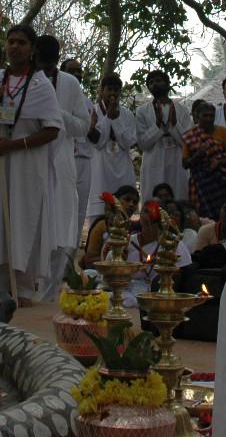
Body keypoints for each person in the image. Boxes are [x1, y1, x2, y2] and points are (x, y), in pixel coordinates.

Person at [0, 23, 63, 302]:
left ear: (32, 49)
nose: (15, 47)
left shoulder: (40, 84)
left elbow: (52, 129)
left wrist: (13, 145)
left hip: (25, 168)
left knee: (23, 220)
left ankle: (21, 287)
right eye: (11, 41)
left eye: (21, 42)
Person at [38, 34, 93, 300]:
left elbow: (83, 127)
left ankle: (50, 291)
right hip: (28, 159)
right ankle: (27, 288)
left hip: (61, 162)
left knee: (60, 226)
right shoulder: (25, 80)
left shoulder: (70, 84)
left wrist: (55, 112)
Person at [85, 74, 137, 220]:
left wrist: (114, 120)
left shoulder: (127, 114)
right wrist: (108, 118)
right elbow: (99, 143)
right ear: (102, 90)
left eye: (116, 90)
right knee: (99, 217)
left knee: (122, 214)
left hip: (123, 166)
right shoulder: (93, 111)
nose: (113, 93)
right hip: (100, 168)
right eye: (109, 89)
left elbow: (128, 143)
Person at [124, 199, 192, 306]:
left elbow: (182, 273)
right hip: (129, 291)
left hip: (160, 293)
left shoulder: (171, 242)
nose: (148, 216)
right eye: (145, 211)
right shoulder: (129, 242)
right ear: (140, 215)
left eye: (153, 212)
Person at [136, 70, 191, 203]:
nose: (155, 84)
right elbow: (143, 144)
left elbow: (188, 143)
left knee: (178, 202)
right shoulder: (142, 111)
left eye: (158, 80)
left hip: (177, 163)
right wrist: (158, 126)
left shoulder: (182, 109)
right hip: (153, 162)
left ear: (167, 83)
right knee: (153, 204)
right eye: (151, 82)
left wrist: (174, 124)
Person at [182, 99, 226, 220]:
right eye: (205, 115)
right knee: (205, 218)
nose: (208, 119)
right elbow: (185, 163)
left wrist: (218, 162)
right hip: (201, 185)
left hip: (222, 182)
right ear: (197, 116)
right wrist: (199, 154)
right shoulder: (190, 135)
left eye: (211, 116)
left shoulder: (222, 131)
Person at [61, 57, 97, 237]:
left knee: (79, 210)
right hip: (63, 158)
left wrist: (90, 127)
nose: (77, 74)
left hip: (83, 161)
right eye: (72, 70)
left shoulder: (88, 102)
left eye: (79, 71)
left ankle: (69, 259)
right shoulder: (53, 96)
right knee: (61, 207)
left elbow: (96, 137)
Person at [81, 184, 139, 270]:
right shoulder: (102, 225)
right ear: (116, 200)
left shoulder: (135, 227)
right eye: (127, 199)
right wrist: (110, 259)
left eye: (135, 202)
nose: (131, 204)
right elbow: (88, 261)